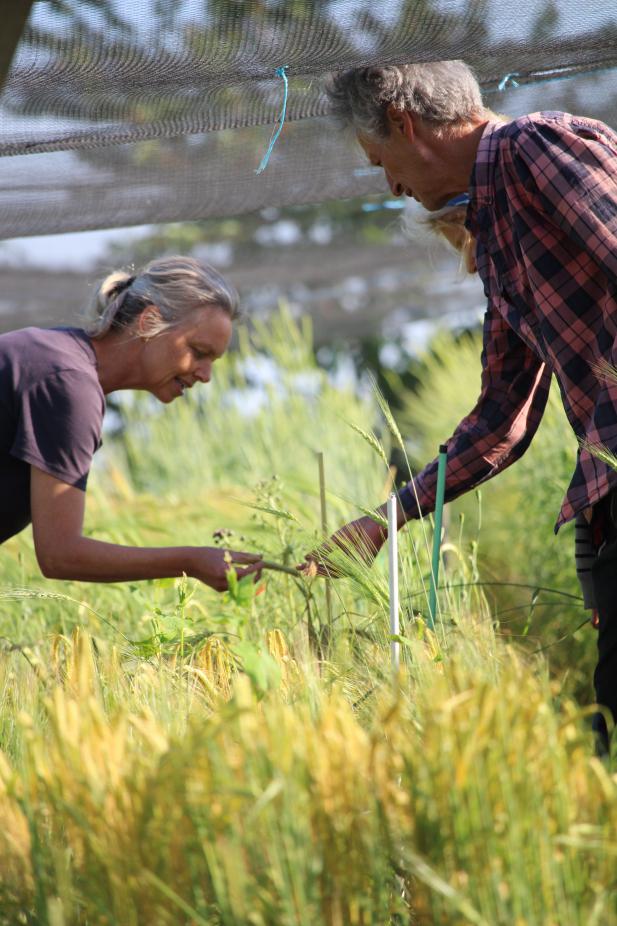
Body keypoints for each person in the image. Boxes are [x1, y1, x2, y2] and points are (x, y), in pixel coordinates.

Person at [314, 59, 617, 752]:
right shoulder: (496, 231)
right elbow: (501, 416)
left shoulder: (533, 147)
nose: (390, 184)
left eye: (379, 161)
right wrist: (387, 519)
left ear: (404, 123)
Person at [0, 255, 264, 592]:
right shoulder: (69, 384)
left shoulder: (58, 357)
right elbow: (60, 553)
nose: (206, 375)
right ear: (149, 321)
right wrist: (190, 562)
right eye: (198, 351)